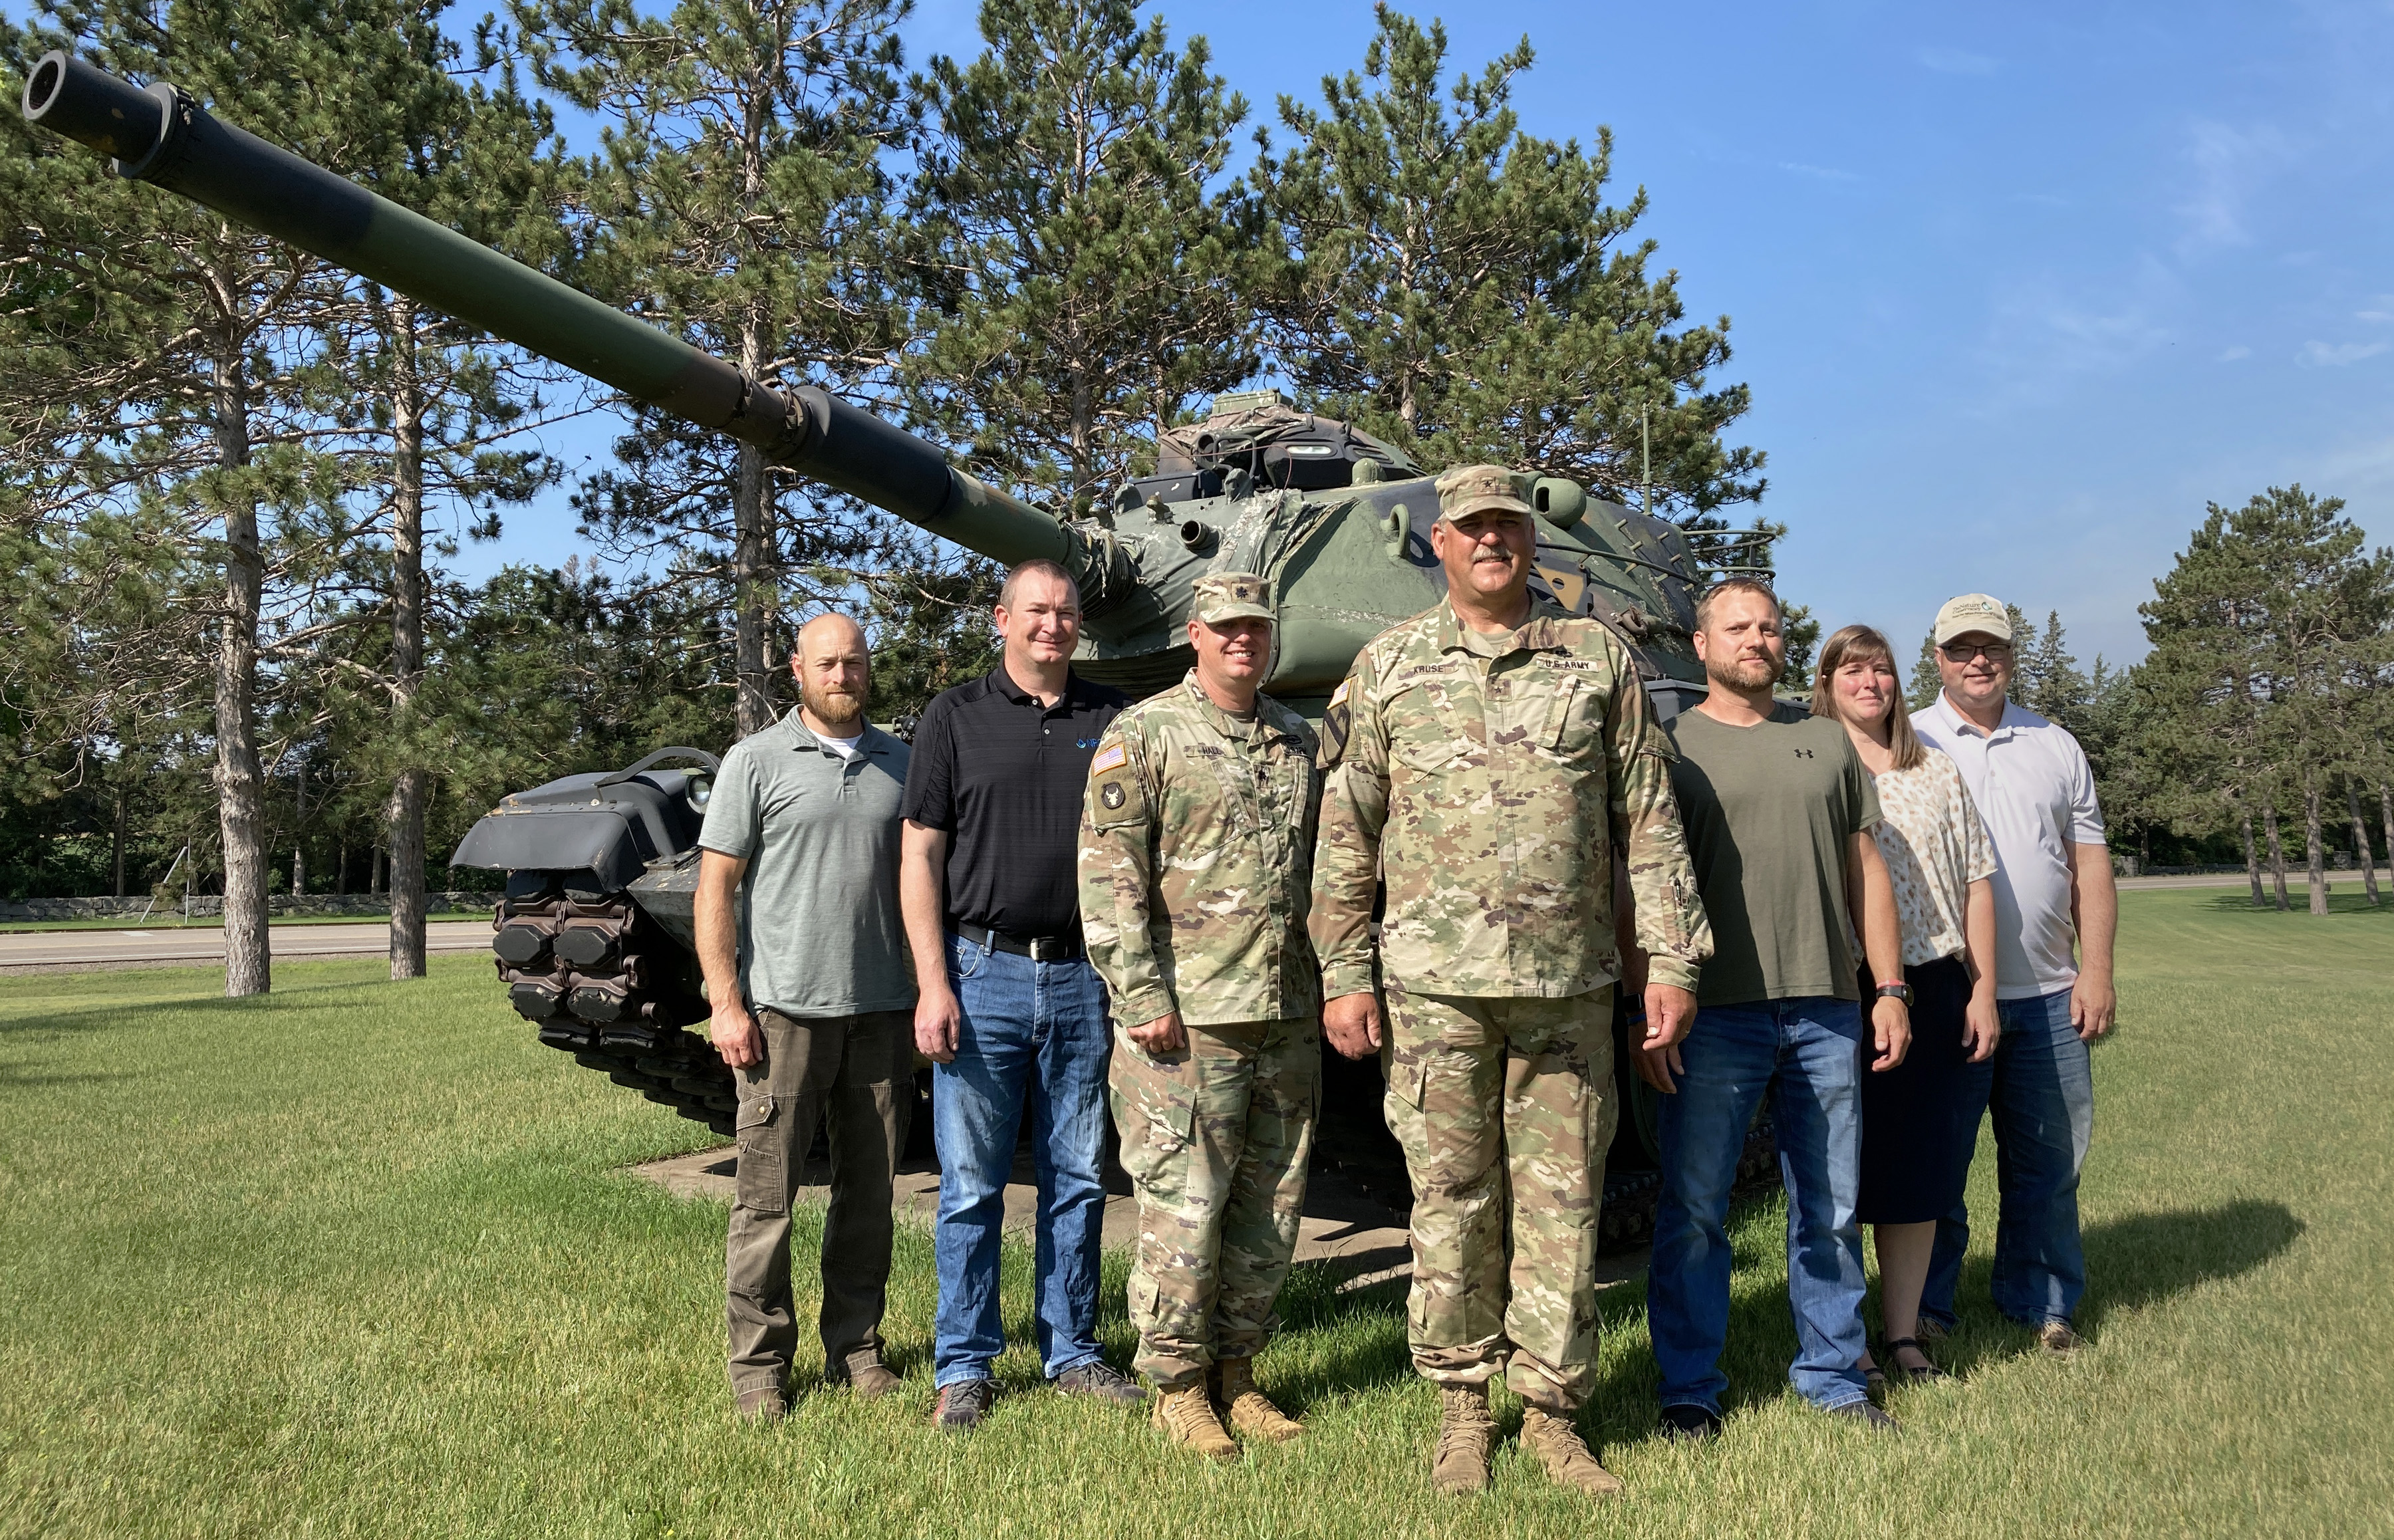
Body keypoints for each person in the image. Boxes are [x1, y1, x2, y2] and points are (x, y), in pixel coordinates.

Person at [1311, 465, 1714, 1499]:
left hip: (1567, 987)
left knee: (1565, 1202)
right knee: (1450, 1198)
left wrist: (1667, 961)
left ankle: (1553, 1414)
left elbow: (1649, 825)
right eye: (1475, 528)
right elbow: (1348, 833)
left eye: (1510, 527)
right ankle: (1461, 1411)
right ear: (1439, 542)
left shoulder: (1596, 660)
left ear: (1531, 543)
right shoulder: (1389, 666)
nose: (1494, 541)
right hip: (1433, 989)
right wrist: (1346, 973)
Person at [1637, 579, 1912, 1438]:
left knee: (1828, 1209)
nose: (1756, 640)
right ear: (1699, 643)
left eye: (1769, 627)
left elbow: (1868, 871)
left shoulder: (1826, 742)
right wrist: (1644, 997)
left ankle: (1834, 1378)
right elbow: (1636, 882)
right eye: (1738, 627)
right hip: (1712, 1013)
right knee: (1695, 1211)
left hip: (1828, 1007)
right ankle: (1690, 1390)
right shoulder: (1669, 748)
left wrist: (1891, 987)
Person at [1080, 573, 1323, 1462]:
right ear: (1196, 634)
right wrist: (1142, 1000)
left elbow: (1324, 879)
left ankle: (1239, 1374)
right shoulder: (1143, 734)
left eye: (1255, 628)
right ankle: (1178, 1389)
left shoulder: (1297, 741)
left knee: (1269, 1210)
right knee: (1184, 1210)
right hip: (1186, 1023)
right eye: (1225, 628)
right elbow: (1109, 880)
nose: (1242, 642)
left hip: (1285, 1012)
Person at [899, 558, 1140, 1430]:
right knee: (970, 1185)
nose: (1052, 624)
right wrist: (932, 983)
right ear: (1001, 619)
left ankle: (1071, 1350)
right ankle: (963, 1364)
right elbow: (920, 854)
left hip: (1082, 976)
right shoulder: (955, 717)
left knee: (1078, 1179)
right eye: (1035, 610)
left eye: (1065, 612)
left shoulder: (1113, 717)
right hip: (980, 969)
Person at [695, 613, 916, 1423]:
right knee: (766, 1198)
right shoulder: (755, 761)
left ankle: (856, 1345)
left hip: (883, 1011)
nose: (842, 676)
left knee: (870, 1196)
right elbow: (716, 885)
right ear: (796, 670)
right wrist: (725, 1000)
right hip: (783, 1013)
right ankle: (759, 1366)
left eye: (854, 663)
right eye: (826, 663)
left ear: (868, 669)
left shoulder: (903, 761)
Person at [1910, 593, 2117, 1354]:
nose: (1977, 660)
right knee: (1941, 1161)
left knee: (2050, 1163)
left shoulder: (2054, 743)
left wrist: (2096, 971)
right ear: (1935, 658)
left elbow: (2090, 862)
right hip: (1951, 994)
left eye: (1990, 646)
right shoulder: (1909, 739)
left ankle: (2042, 1302)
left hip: (2053, 992)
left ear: (2010, 653)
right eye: (1960, 648)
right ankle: (1927, 1307)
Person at [1811, 623, 2001, 1393]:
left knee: (1920, 1172)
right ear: (1826, 683)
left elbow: (1977, 881)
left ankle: (1904, 1333)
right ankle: (1843, 1336)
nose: (1870, 683)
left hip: (1936, 978)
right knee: (1841, 1170)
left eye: (1881, 670)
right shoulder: (1812, 765)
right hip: (1842, 986)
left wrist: (1983, 986)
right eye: (1852, 670)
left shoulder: (1938, 773)